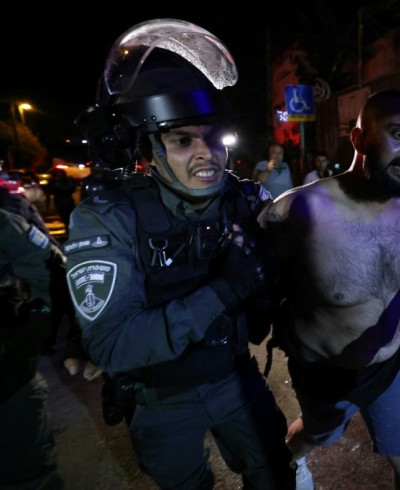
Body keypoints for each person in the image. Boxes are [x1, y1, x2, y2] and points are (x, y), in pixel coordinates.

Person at [67, 19, 294, 489]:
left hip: (235, 376)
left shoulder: (242, 199)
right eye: (182, 140)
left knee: (275, 472)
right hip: (159, 396)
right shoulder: (109, 217)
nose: (207, 154)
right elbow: (114, 344)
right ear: (148, 151)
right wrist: (225, 289)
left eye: (215, 137)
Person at [258, 89, 400, 490]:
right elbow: (252, 282)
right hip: (325, 375)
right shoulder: (301, 210)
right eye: (398, 133)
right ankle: (293, 459)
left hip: (389, 369)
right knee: (314, 436)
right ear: (359, 140)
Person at [0, 207, 65, 489]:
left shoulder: (4, 223)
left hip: (9, 375)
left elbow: (49, 267)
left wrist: (40, 326)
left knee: (29, 474)